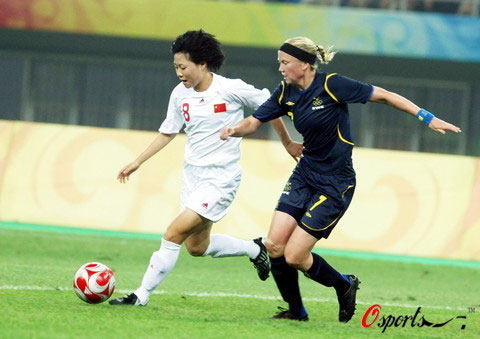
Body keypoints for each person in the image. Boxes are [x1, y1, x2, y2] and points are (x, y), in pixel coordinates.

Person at [220, 37, 461, 322]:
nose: (280, 67)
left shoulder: (332, 85)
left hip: (336, 182)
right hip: (305, 174)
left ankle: (344, 284)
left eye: (285, 62)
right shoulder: (285, 91)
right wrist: (235, 129)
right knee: (274, 245)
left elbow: (383, 95)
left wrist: (426, 116)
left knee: (295, 256)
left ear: (305, 64)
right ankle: (297, 312)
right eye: (279, 62)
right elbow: (255, 120)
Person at [109, 30, 301, 306]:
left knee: (173, 233)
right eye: (175, 67)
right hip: (193, 177)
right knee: (196, 247)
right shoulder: (179, 95)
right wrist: (137, 161)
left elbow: (269, 107)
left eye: (183, 67)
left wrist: (288, 142)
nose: (179, 73)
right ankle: (254, 248)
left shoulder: (230, 89)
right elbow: (168, 132)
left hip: (220, 179)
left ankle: (140, 295)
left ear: (202, 64)